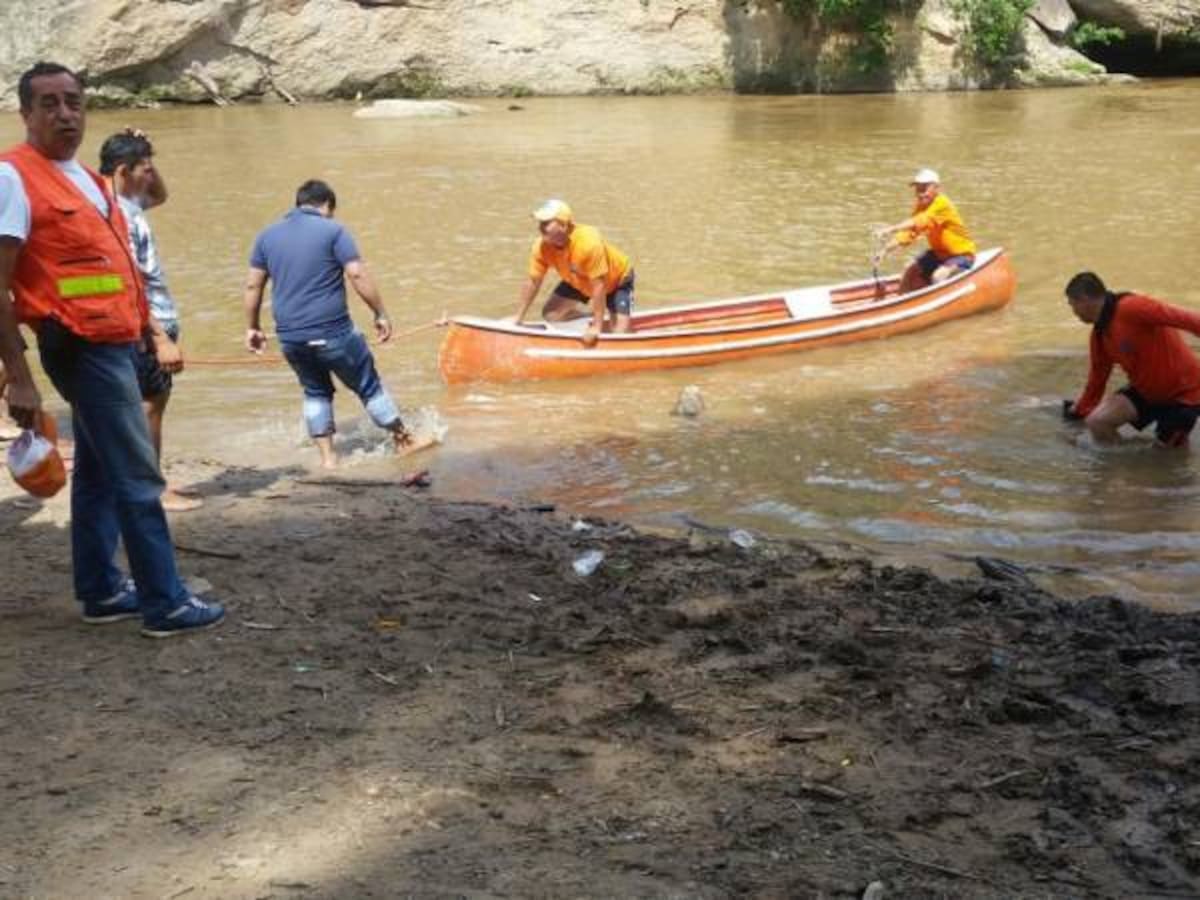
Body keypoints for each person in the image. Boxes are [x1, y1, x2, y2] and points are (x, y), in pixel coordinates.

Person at [0, 61, 224, 636]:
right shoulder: (12, 177)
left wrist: (149, 335)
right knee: (137, 476)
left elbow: (119, 269)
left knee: (99, 473)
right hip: (79, 345)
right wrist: (17, 376)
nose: (63, 113)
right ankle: (166, 604)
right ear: (25, 113)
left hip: (117, 341)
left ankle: (100, 590)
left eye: (72, 101)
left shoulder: (93, 181)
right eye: (47, 103)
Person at [244, 179, 419, 469]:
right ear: (327, 206)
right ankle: (404, 440)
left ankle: (328, 459)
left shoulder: (266, 237)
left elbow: (253, 286)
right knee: (368, 385)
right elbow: (357, 274)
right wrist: (380, 313)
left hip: (291, 336)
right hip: (333, 331)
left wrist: (252, 327)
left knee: (315, 391)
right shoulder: (333, 231)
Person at [98, 129, 202, 511]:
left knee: (147, 402)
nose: (150, 175)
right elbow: (130, 280)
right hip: (146, 321)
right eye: (145, 168)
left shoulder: (126, 200)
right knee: (150, 404)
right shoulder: (115, 213)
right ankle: (151, 488)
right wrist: (159, 336)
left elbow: (160, 195)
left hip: (148, 319)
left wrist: (142, 149)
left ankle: (143, 482)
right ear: (124, 171)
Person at [1062, 271, 1200, 448]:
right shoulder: (1098, 336)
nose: (1074, 312)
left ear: (1084, 300)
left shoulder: (1133, 307)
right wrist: (1078, 412)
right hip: (1147, 392)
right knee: (1096, 422)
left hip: (1184, 394)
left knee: (1165, 459)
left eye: (1072, 305)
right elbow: (1097, 381)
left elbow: (1185, 319)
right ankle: (1122, 466)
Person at [513, 199, 635, 347]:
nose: (541, 228)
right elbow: (533, 281)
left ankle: (607, 321)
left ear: (563, 225)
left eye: (546, 223)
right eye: (540, 223)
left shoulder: (589, 243)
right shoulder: (541, 248)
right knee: (551, 315)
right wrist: (517, 318)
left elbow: (599, 286)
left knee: (619, 336)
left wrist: (596, 327)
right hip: (578, 278)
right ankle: (591, 316)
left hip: (616, 280)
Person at [874, 168, 977, 294]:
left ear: (937, 188)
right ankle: (901, 300)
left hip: (961, 256)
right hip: (939, 254)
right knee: (909, 271)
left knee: (938, 276)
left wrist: (891, 229)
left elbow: (919, 221)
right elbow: (909, 233)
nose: (920, 193)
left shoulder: (942, 204)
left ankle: (937, 307)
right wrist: (885, 250)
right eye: (918, 189)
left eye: (924, 189)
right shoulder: (921, 206)